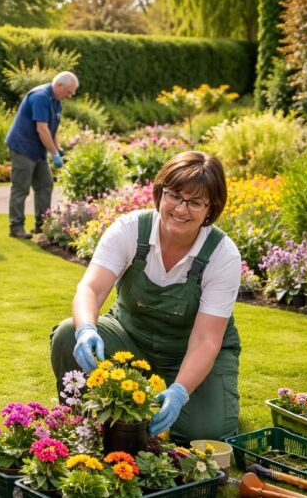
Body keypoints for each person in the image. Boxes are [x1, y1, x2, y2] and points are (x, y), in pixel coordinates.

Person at [49, 151, 242, 444]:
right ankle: (83, 423)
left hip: (188, 353)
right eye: (174, 195)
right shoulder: (129, 230)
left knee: (205, 435)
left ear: (210, 208)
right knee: (67, 334)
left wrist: (180, 391)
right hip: (130, 339)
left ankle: (189, 397)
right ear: (160, 192)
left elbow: (206, 340)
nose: (181, 209)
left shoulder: (221, 255)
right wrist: (87, 328)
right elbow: (91, 289)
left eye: (195, 202)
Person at [6, 71, 78, 239]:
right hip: (23, 147)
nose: (70, 95)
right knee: (21, 188)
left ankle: (42, 225)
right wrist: (53, 153)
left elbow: (52, 129)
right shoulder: (40, 97)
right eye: (69, 91)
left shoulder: (56, 101)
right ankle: (16, 226)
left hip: (38, 150)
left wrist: (57, 149)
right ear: (59, 85)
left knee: (45, 184)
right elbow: (42, 129)